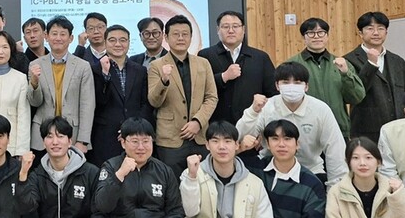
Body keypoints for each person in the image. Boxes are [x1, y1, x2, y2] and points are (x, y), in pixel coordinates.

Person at [236, 61, 347, 187]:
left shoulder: (321, 109)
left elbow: (335, 150)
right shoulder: (266, 107)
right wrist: (253, 112)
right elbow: (240, 138)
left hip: (311, 172)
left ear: (306, 86)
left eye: (297, 83)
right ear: (277, 86)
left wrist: (335, 189)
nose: (292, 87)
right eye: (286, 82)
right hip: (271, 171)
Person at [197, 11, 276, 169]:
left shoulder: (260, 57)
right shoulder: (205, 55)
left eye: (235, 26)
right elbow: (199, 90)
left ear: (244, 29)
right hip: (217, 130)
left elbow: (273, 95)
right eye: (225, 27)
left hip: (252, 134)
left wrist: (264, 132)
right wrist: (223, 77)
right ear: (218, 30)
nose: (231, 30)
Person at [147, 14, 218, 176]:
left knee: (201, 183)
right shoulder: (156, 66)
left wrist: (198, 122)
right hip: (171, 139)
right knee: (172, 186)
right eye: (176, 34)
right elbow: (154, 101)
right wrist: (164, 80)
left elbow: (211, 97)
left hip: (199, 136)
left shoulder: (203, 63)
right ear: (166, 37)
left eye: (185, 34)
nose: (180, 38)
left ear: (191, 37)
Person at [28, 16, 96, 156]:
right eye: (54, 33)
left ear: (70, 38)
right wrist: (34, 83)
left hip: (72, 135)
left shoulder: (82, 66)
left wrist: (83, 141)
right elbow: (35, 102)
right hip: (43, 135)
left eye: (63, 34)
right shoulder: (35, 65)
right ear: (46, 37)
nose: (58, 38)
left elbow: (87, 105)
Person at [287, 17, 365, 139]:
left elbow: (357, 97)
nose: (316, 36)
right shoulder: (292, 64)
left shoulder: (341, 63)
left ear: (327, 36)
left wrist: (346, 74)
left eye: (321, 32)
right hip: (304, 131)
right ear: (303, 37)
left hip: (338, 129)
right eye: (311, 33)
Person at [344, 12, 405, 140]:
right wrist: (370, 64)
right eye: (370, 29)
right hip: (366, 131)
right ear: (360, 33)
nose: (376, 33)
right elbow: (353, 95)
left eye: (381, 28)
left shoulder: (397, 61)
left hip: (399, 129)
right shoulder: (349, 60)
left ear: (386, 32)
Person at [91, 24, 153, 165]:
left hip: (135, 136)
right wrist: (105, 75)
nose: (118, 44)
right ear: (105, 43)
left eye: (123, 40)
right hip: (105, 136)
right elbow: (98, 102)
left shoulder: (140, 70)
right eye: (112, 40)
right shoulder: (95, 69)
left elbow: (145, 103)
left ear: (129, 43)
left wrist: (133, 128)